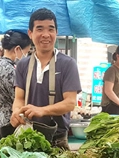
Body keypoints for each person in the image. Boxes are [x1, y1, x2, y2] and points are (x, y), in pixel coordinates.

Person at [10, 8, 82, 150]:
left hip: (57, 140)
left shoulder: (68, 64)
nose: (46, 35)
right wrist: (16, 112)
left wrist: (42, 110)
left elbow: (70, 103)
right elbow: (19, 98)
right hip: (28, 137)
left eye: (51, 29)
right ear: (30, 33)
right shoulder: (23, 65)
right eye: (40, 29)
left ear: (56, 33)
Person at [0, 30, 32, 139]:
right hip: (12, 123)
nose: (27, 56)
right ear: (18, 49)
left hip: (1, 121)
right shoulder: (11, 70)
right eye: (27, 52)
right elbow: (18, 99)